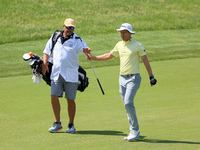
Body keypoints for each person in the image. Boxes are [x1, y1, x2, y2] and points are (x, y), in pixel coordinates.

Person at [83, 23, 157, 141]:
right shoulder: (119, 45)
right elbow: (108, 56)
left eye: (124, 32)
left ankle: (135, 130)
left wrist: (151, 76)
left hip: (133, 78)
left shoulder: (138, 45)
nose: (122, 34)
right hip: (121, 79)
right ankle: (132, 130)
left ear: (130, 33)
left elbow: (145, 61)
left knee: (128, 102)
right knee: (127, 105)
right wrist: (93, 57)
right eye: (121, 32)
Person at [42, 18, 90, 133]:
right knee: (53, 96)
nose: (70, 29)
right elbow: (47, 50)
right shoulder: (55, 36)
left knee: (70, 99)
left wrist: (87, 52)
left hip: (71, 74)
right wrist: (44, 63)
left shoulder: (77, 39)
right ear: (63, 26)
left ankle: (71, 124)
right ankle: (57, 123)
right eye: (68, 27)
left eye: (72, 28)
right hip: (56, 73)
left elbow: (85, 50)